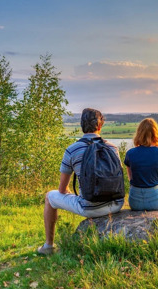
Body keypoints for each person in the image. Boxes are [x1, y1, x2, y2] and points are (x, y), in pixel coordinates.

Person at [37, 108, 124, 255]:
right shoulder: (112, 148)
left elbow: (62, 189)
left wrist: (71, 193)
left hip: (89, 207)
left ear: (81, 125)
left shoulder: (72, 150)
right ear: (100, 126)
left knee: (49, 196)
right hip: (116, 204)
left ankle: (48, 246)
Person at [124, 118, 158, 211]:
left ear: (139, 133)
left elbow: (131, 180)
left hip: (135, 202)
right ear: (156, 134)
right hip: (156, 202)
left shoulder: (130, 153)